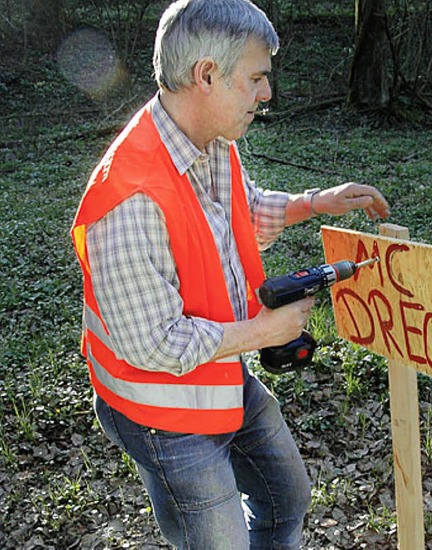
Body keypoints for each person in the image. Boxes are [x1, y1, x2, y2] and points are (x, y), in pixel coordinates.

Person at [71, 0, 390, 548]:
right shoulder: (127, 199)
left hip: (217, 372)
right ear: (207, 75)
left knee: (286, 497)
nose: (267, 93)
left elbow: (237, 209)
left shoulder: (210, 140)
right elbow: (155, 345)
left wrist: (314, 203)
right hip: (159, 407)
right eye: (257, 78)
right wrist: (265, 334)